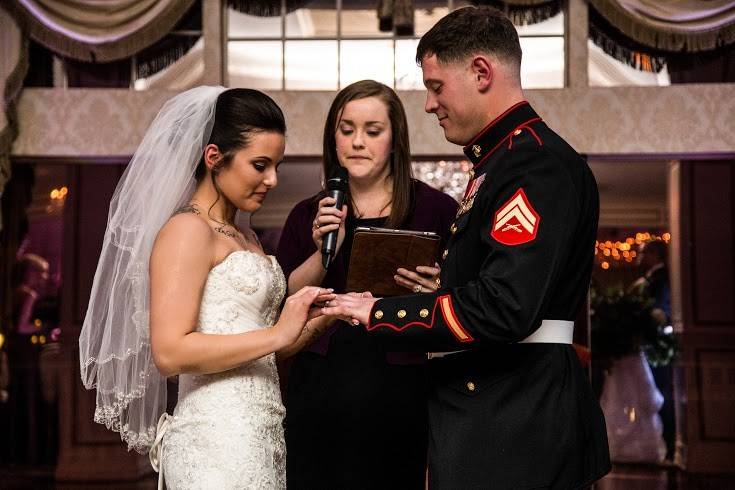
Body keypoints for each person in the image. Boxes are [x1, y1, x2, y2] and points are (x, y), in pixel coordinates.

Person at [323, 7, 611, 489]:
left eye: (436, 87)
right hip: (501, 410)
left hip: (518, 417)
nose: (430, 104)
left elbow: (505, 308)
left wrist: (380, 312)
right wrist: (451, 286)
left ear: (481, 72)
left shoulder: (531, 166)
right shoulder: (502, 162)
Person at [78, 87, 332, 489]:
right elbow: (170, 351)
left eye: (277, 165)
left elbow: (261, 340)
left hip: (259, 434)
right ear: (214, 157)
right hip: (215, 438)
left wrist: (315, 317)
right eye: (260, 165)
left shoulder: (244, 236)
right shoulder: (187, 231)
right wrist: (278, 332)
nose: (272, 179)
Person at [276, 80, 458, 489]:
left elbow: (464, 302)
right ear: (333, 137)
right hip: (321, 385)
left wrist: (437, 290)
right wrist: (326, 249)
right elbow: (288, 297)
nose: (357, 142)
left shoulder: (436, 209)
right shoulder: (307, 212)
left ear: (395, 140)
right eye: (347, 129)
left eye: (372, 131)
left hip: (399, 388)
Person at [631, 239, 675, 461]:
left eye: (643, 252)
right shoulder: (650, 278)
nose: (639, 257)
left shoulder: (662, 278)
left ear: (655, 254)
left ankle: (669, 443)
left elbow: (661, 310)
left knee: (660, 393)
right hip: (646, 346)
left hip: (656, 347)